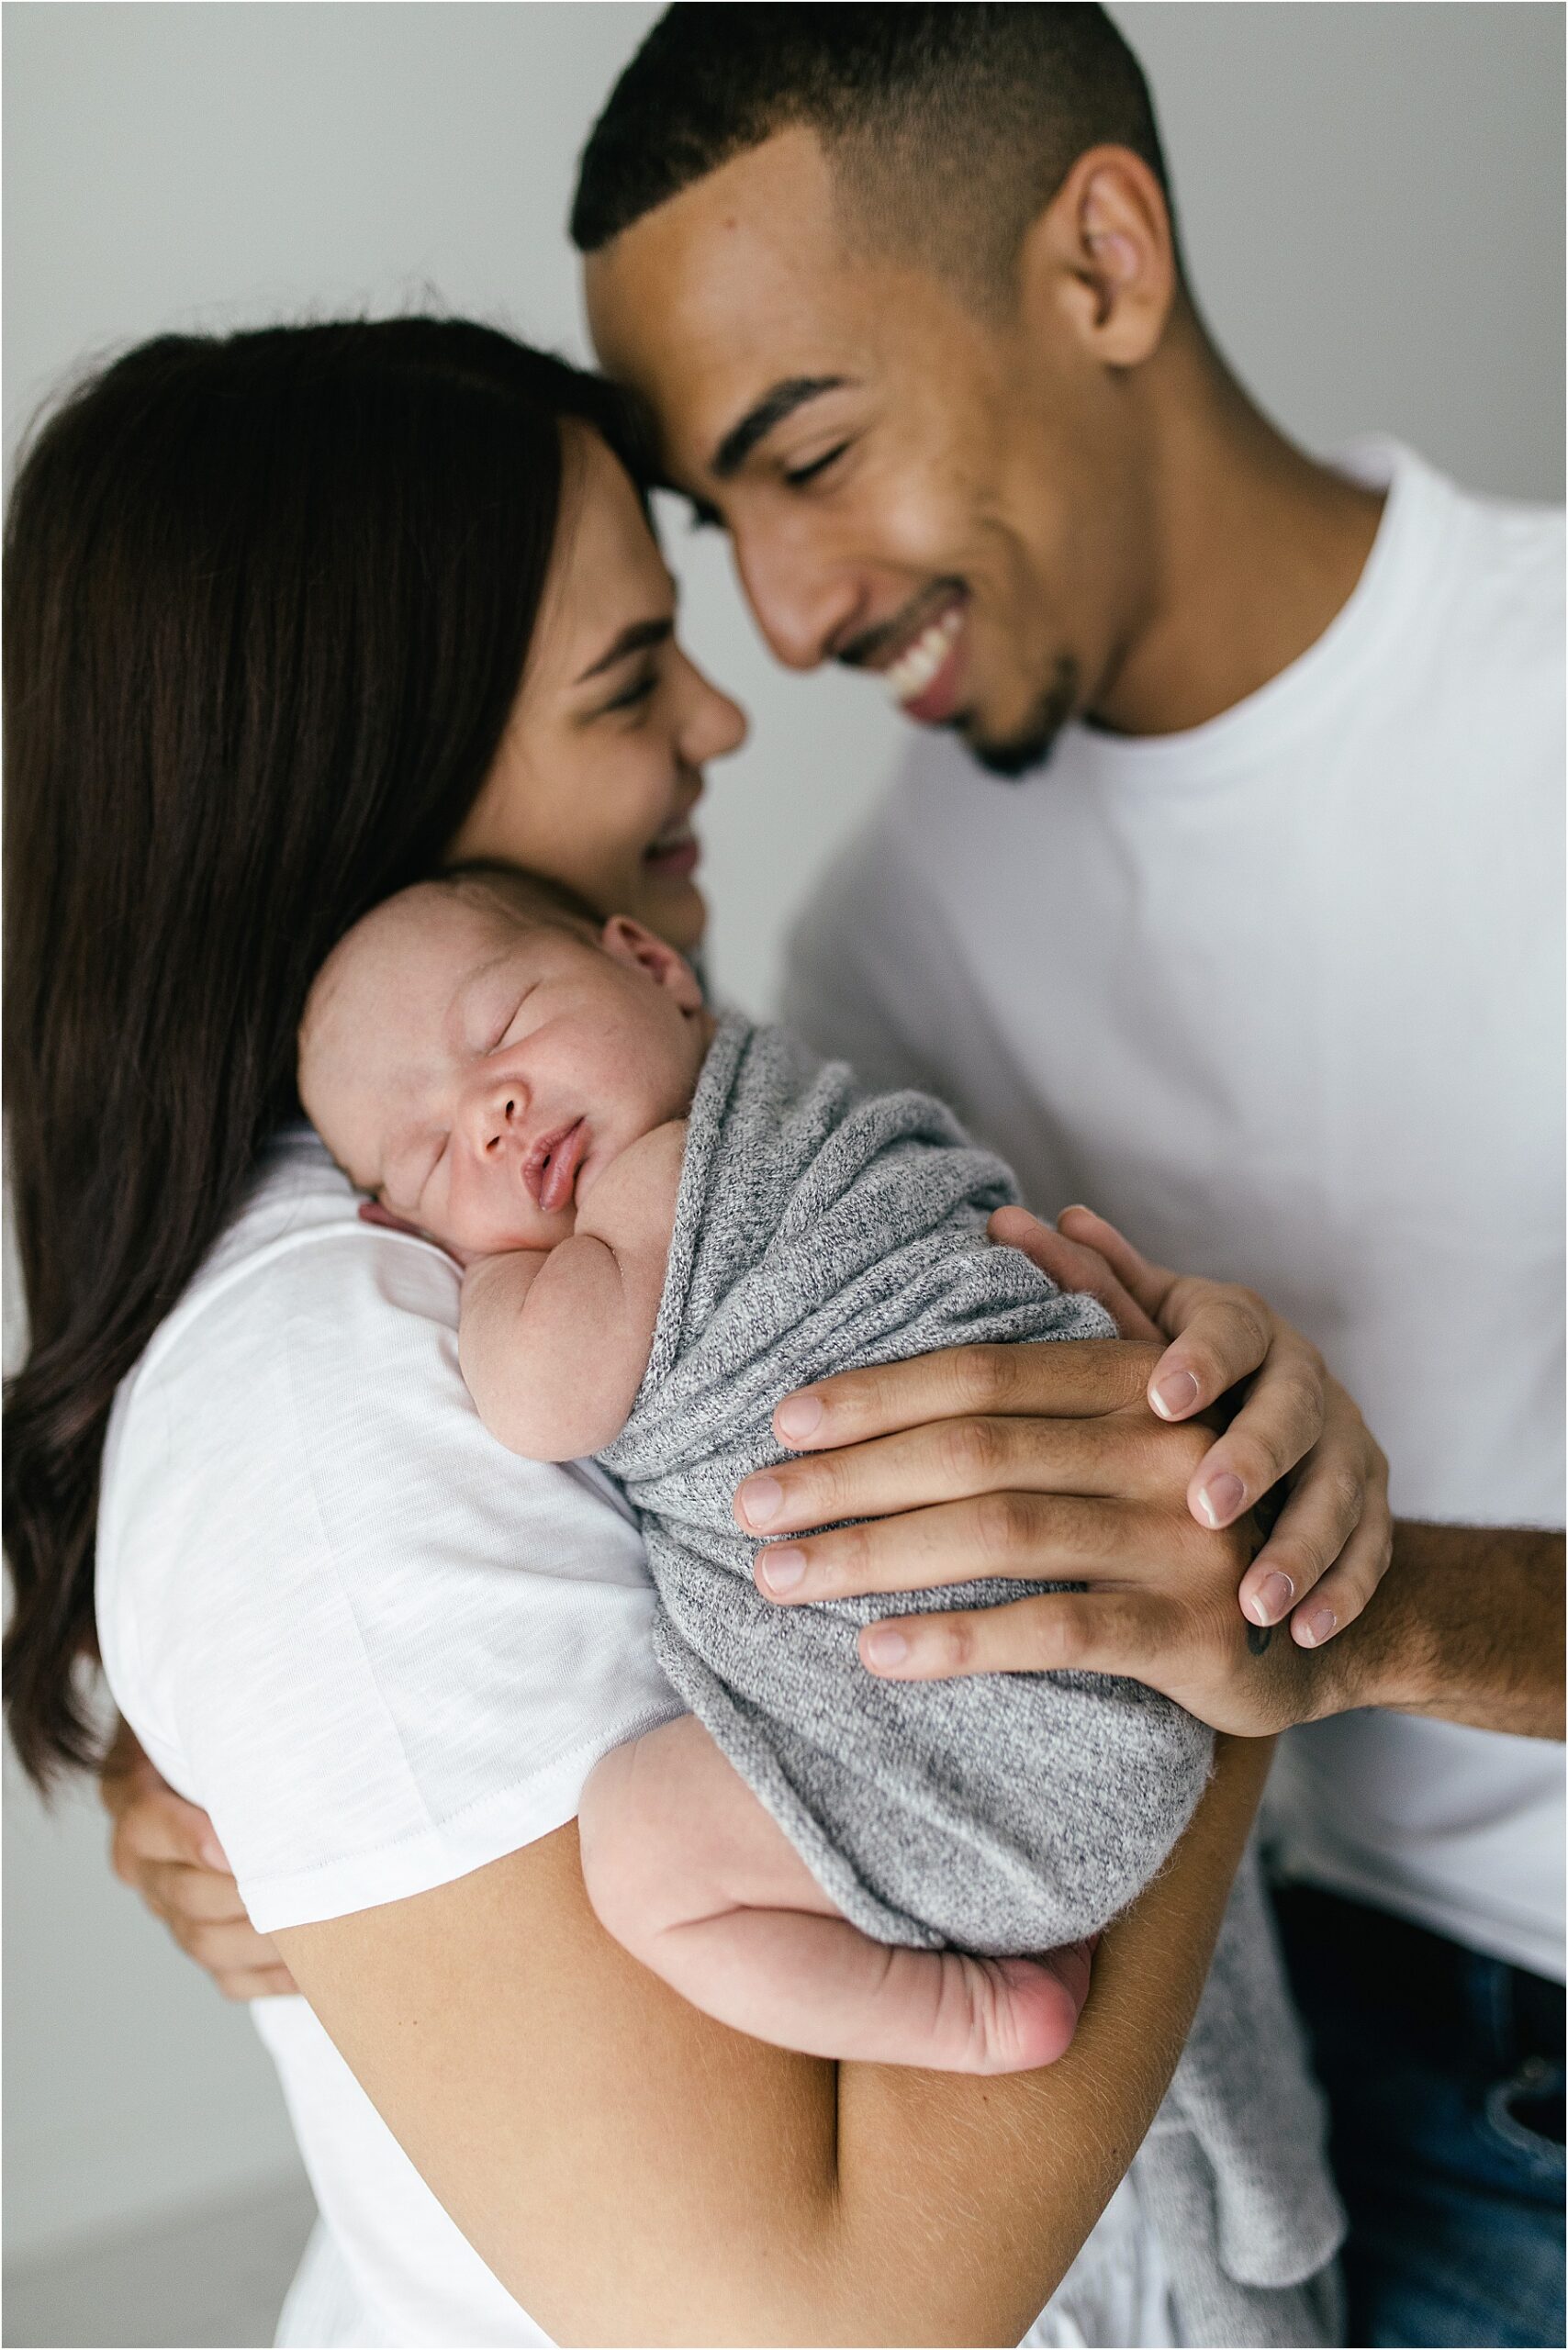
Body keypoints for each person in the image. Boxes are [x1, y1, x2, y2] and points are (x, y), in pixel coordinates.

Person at [5, 316, 1382, 2347]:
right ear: (362, 777)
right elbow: (815, 2324)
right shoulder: (335, 1387)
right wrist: (1211, 1624)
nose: (724, 718)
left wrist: (1195, 1461)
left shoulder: (623, 1163)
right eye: (631, 675)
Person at [566, 6, 1568, 2344]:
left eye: (810, 454)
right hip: (1356, 2091)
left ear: (1100, 261)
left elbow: (1311, 1628)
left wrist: (1373, 1606)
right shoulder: (877, 968)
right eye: (728, 528)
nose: (789, 618)